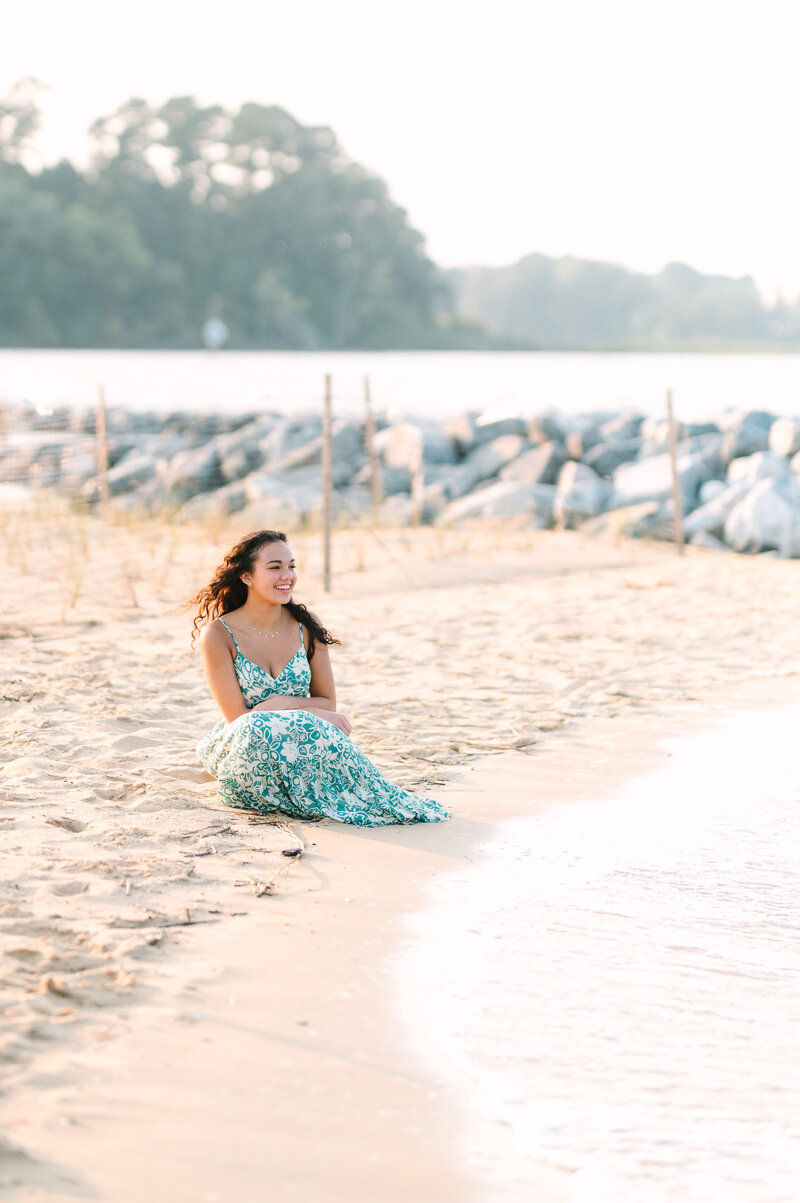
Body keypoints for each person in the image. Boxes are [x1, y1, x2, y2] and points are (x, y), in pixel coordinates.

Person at [191, 529, 450, 827]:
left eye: (291, 566)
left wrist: (281, 704)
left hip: (304, 741)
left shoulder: (305, 627)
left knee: (355, 780)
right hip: (246, 744)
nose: (287, 575)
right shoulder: (219, 634)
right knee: (256, 726)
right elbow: (238, 719)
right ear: (247, 577)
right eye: (275, 567)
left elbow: (328, 705)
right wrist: (307, 712)